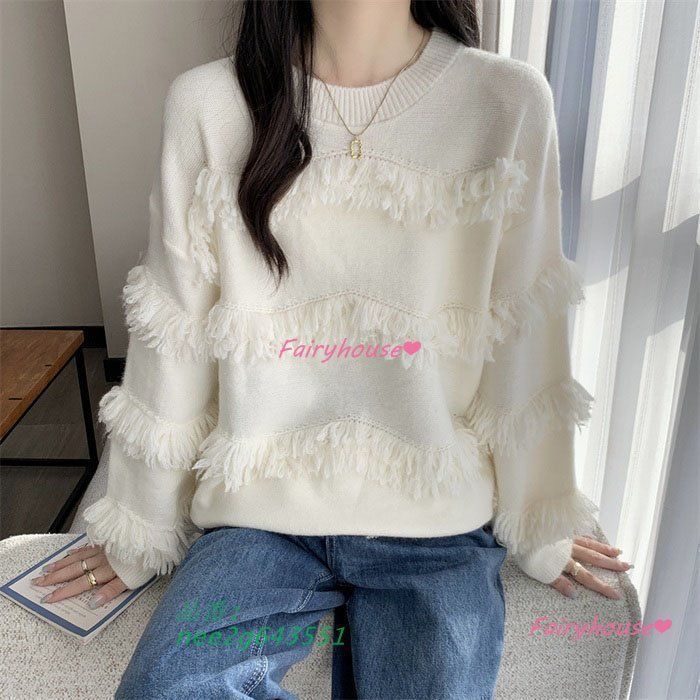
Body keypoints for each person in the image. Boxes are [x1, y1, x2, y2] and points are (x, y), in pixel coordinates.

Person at [32, 1, 631, 697]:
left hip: (435, 526)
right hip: (258, 519)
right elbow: (176, 328)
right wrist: (138, 528)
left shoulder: (505, 99)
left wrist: (541, 517)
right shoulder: (209, 103)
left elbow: (524, 322)